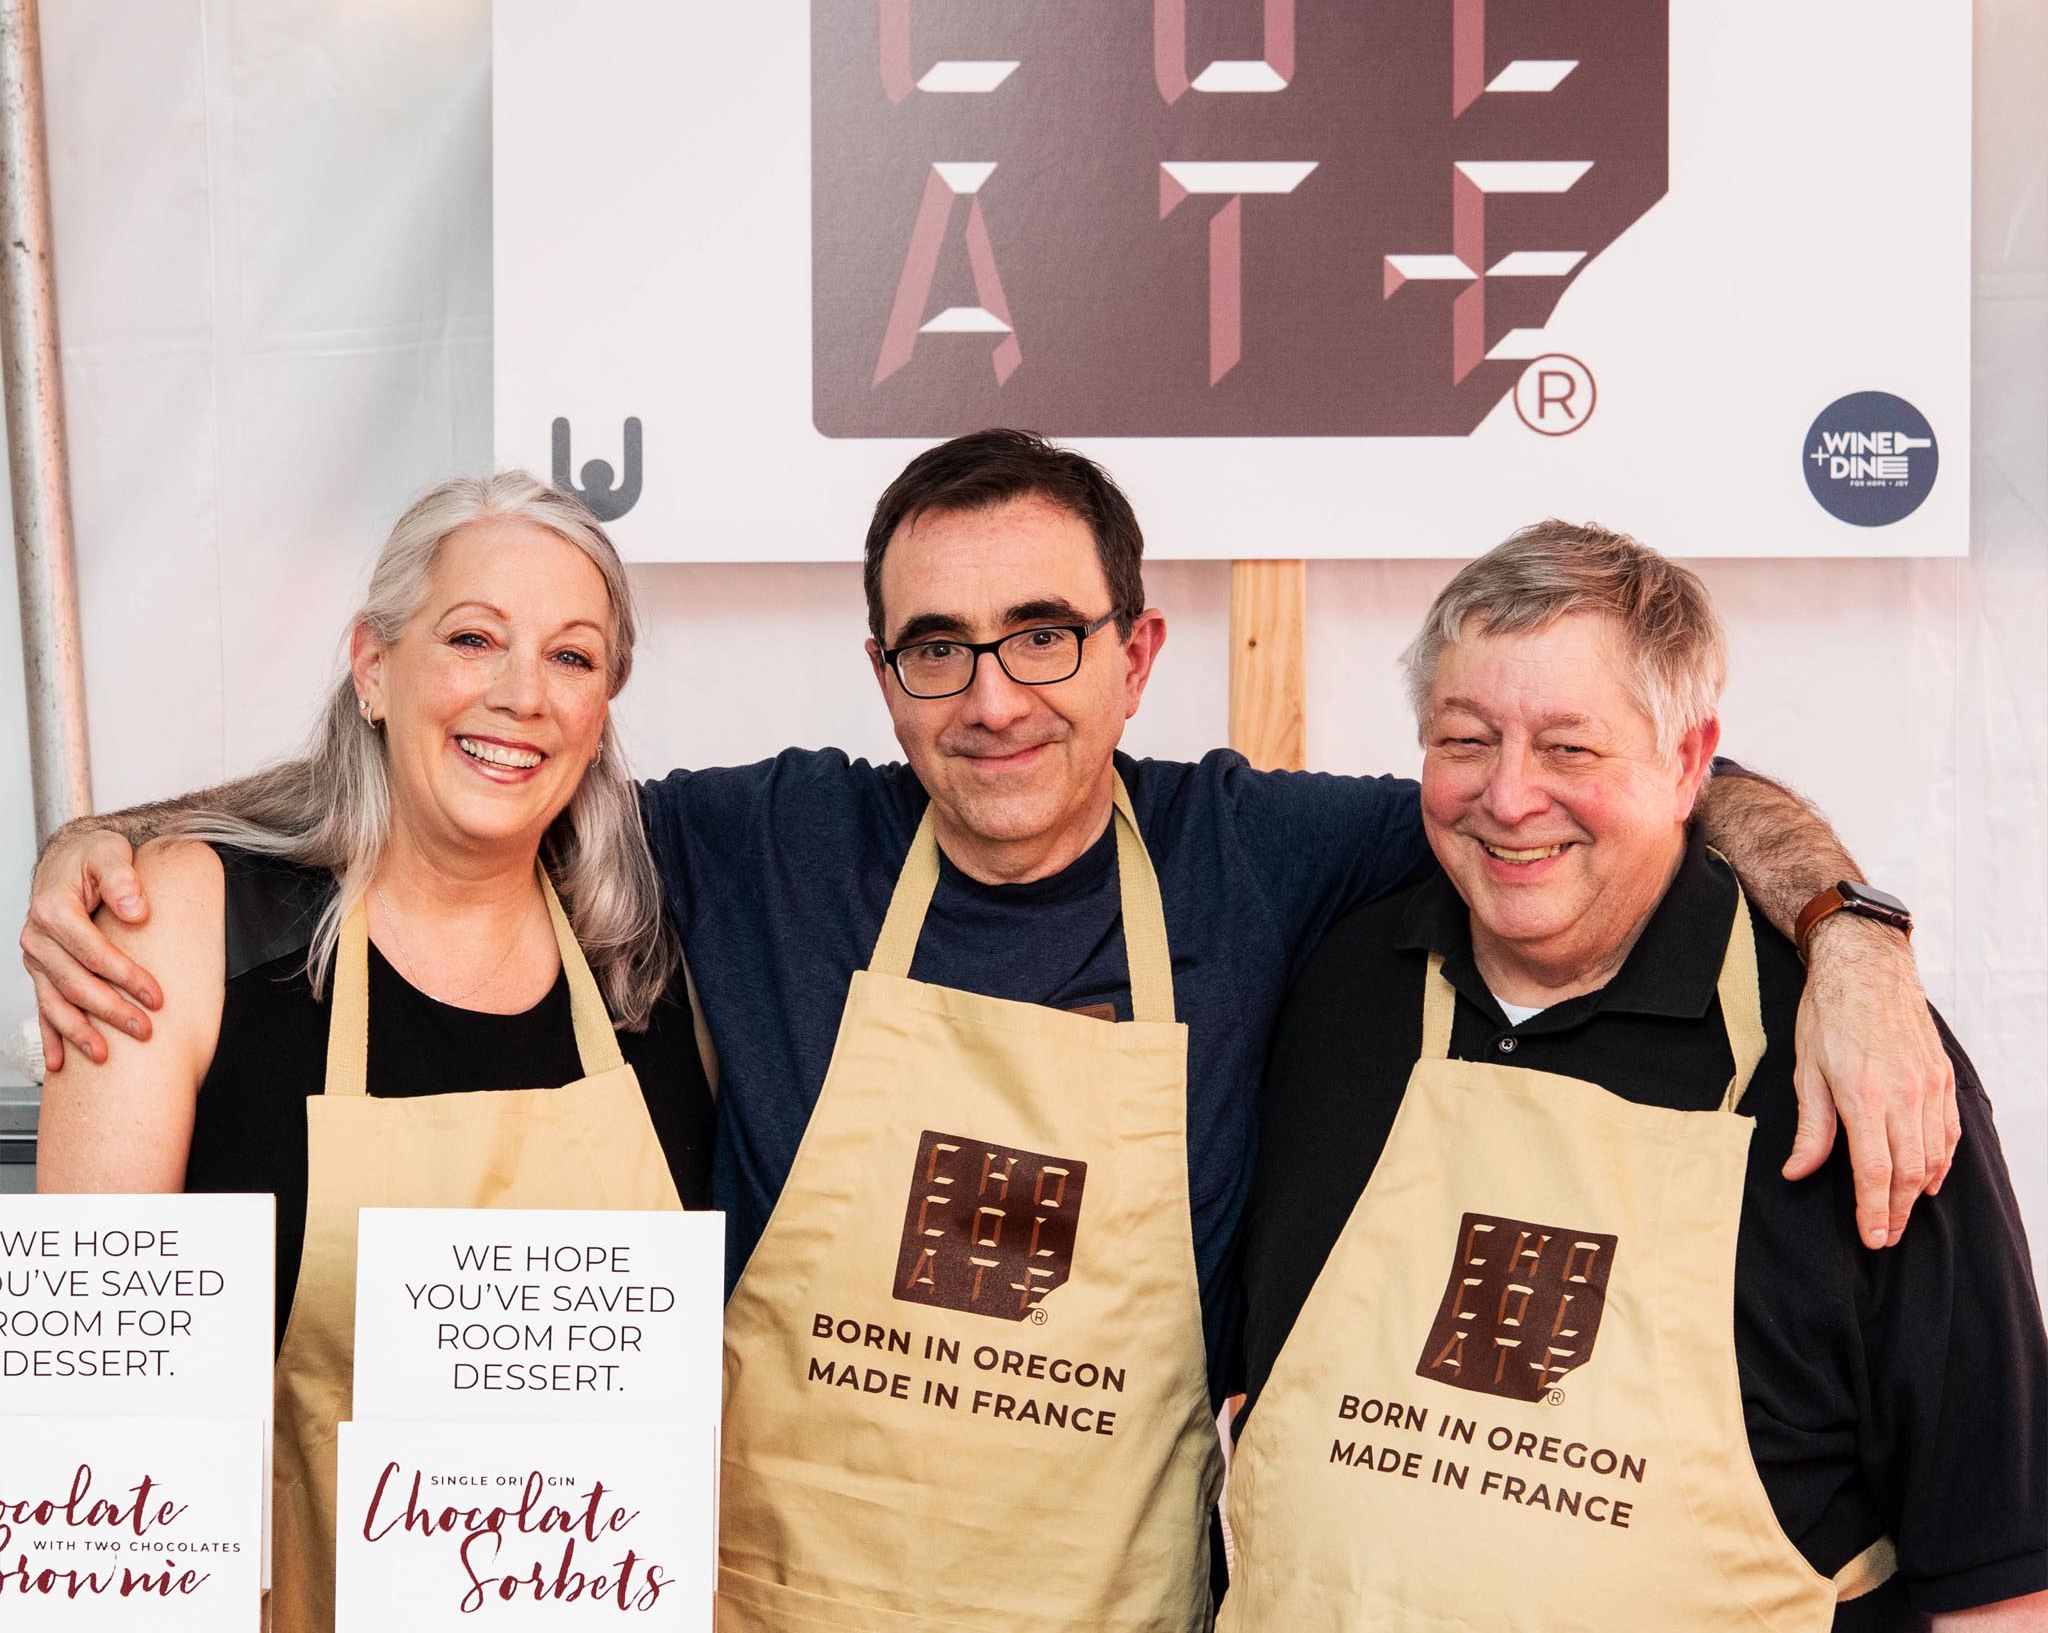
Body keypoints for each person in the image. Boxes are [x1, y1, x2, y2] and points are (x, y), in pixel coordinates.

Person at [23, 434, 1958, 1633]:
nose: (991, 693)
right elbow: (451, 794)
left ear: (1135, 648)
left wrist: (1847, 924)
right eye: (934, 646)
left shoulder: (1267, 852)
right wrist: (107, 841)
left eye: (1044, 632)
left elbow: (1589, 780)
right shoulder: (742, 844)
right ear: (879, 670)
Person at [1226, 522, 2047, 1631]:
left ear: (1686, 760)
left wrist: (1853, 934)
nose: (1509, 797)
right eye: (1464, 738)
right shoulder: (1329, 981)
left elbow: (1999, 1576)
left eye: (1569, 748)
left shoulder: (1858, 1063)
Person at [35, 471, 714, 1633]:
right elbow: (94, 1414)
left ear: (604, 704)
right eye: (472, 637)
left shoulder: (652, 968)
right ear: (372, 667)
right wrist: (86, 840)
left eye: (571, 657)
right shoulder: (183, 925)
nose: (520, 696)